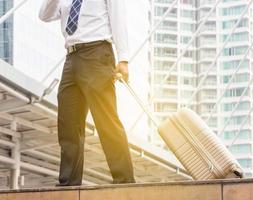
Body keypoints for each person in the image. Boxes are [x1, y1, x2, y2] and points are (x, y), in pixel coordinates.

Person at [39, 0, 135, 186]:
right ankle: (69, 182)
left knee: (106, 120)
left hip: (97, 53)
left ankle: (124, 181)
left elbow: (118, 18)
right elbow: (44, 15)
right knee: (68, 123)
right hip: (71, 57)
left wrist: (123, 58)